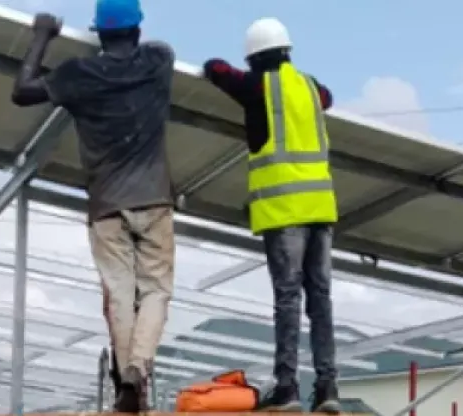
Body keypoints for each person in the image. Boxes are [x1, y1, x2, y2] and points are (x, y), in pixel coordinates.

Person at [9, 0, 177, 412]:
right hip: (154, 199)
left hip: (106, 205)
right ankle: (138, 368)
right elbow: (159, 47)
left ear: (98, 34)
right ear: (136, 31)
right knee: (155, 290)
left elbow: (22, 91)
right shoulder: (158, 61)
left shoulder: (79, 75)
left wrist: (42, 36)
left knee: (119, 295)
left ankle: (127, 386)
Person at [200, 17, 342, 414]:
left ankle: (288, 388)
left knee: (287, 300)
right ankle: (328, 388)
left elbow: (217, 70)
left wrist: (215, 67)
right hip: (321, 210)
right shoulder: (312, 88)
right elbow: (329, 97)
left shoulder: (259, 85)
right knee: (321, 301)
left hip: (285, 212)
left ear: (255, 57)